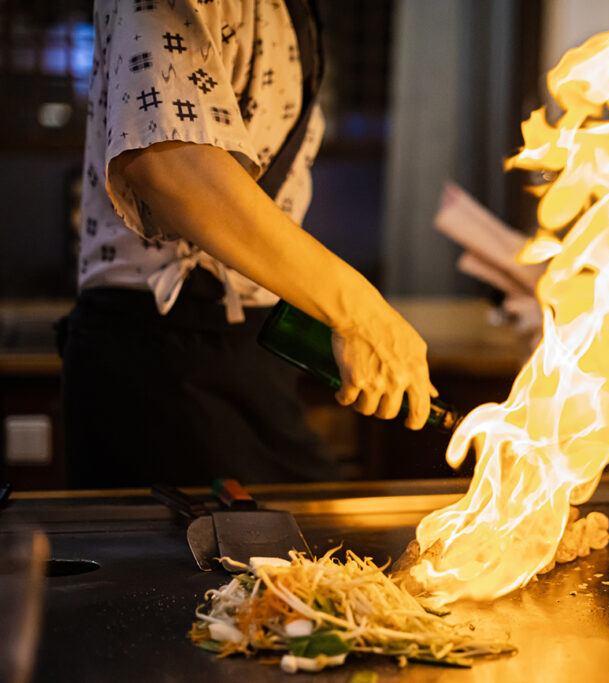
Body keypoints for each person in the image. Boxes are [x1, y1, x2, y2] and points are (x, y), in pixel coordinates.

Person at [62, 0, 435, 488]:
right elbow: (167, 160)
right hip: (163, 348)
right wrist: (360, 311)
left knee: (318, 552)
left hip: (245, 344)